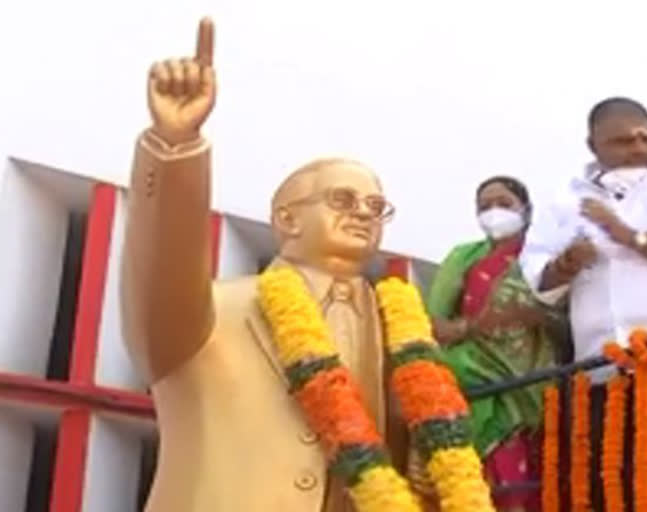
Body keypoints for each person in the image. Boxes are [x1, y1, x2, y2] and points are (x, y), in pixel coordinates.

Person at [120, 19, 429, 512]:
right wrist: (175, 145)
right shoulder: (210, 312)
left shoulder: (406, 333)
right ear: (286, 218)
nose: (363, 214)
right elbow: (160, 264)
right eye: (343, 199)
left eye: (375, 207)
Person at [521, 97, 647, 368]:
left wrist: (629, 236)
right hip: (600, 364)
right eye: (623, 142)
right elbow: (538, 282)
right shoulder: (566, 201)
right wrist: (565, 265)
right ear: (593, 146)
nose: (639, 148)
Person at [427, 176, 565, 512]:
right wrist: (472, 326)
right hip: (471, 377)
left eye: (504, 203)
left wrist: (536, 316)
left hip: (531, 388)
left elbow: (564, 323)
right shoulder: (463, 258)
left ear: (526, 210)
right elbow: (431, 324)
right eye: (484, 206)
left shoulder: (545, 261)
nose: (493, 212)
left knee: (532, 480)